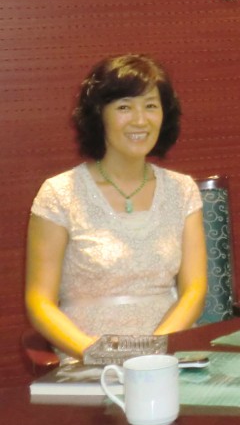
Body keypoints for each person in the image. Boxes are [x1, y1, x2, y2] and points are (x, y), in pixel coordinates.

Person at [25, 54, 208, 360]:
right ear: (100, 114)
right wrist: (99, 354)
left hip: (165, 356)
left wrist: (151, 353)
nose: (140, 120)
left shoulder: (182, 190)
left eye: (151, 106)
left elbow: (194, 291)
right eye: (124, 107)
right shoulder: (59, 193)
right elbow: (39, 303)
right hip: (86, 358)